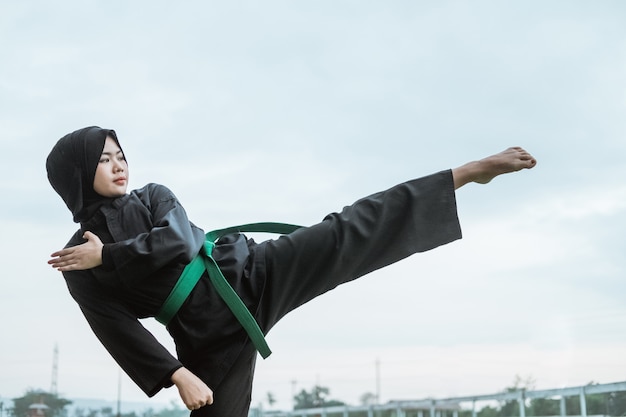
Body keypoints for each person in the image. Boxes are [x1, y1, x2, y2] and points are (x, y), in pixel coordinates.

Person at [46, 126, 536, 417]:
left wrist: (109, 256)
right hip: (208, 338)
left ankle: (466, 174)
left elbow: (180, 241)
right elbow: (116, 330)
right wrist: (177, 375)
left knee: (348, 228)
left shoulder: (154, 195)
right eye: (103, 159)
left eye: (120, 154)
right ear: (76, 174)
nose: (118, 164)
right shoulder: (74, 262)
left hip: (249, 270)